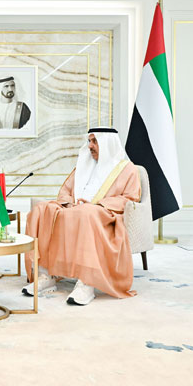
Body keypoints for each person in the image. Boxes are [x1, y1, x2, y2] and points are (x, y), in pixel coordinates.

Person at [23, 127, 141, 305]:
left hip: (103, 215)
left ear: (107, 144)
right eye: (89, 141)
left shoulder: (126, 169)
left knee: (86, 213)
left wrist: (97, 205)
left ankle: (87, 282)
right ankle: (47, 275)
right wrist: (69, 203)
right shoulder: (83, 165)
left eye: (95, 141)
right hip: (75, 209)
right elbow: (65, 191)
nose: (90, 146)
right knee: (41, 209)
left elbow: (130, 198)